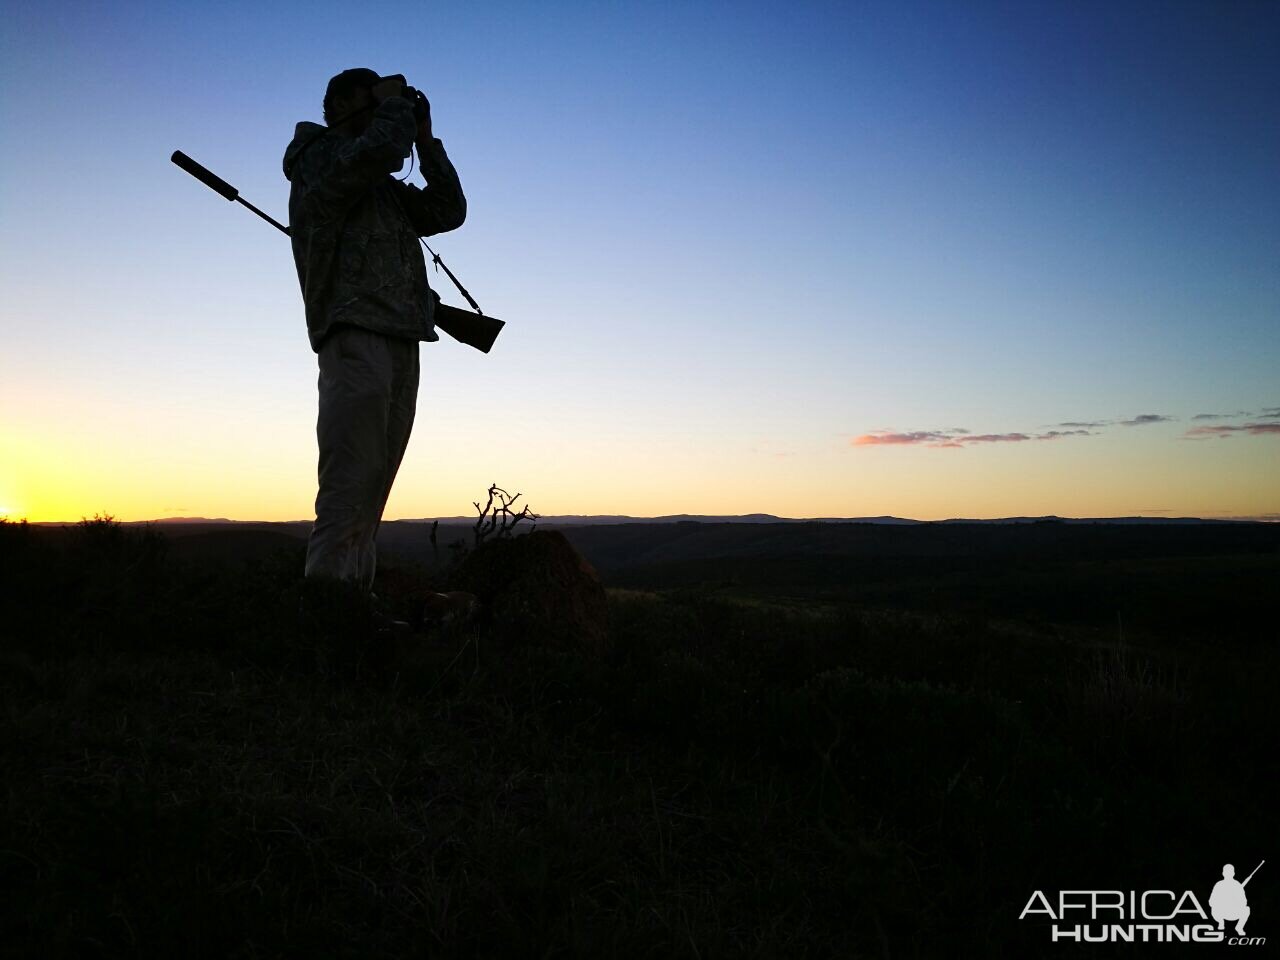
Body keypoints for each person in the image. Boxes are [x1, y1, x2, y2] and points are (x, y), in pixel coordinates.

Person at [282, 68, 466, 616]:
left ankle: (353, 609)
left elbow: (448, 211)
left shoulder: (379, 184)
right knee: (348, 481)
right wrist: (394, 111)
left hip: (400, 334)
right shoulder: (317, 159)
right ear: (341, 105)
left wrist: (427, 140)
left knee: (374, 486)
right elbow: (376, 151)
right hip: (354, 330)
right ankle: (325, 615)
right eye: (372, 100)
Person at [1209, 863, 1250, 936]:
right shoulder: (1219, 885)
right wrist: (1222, 902)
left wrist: (1235, 901)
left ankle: (1239, 927)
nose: (1228, 874)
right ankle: (1221, 922)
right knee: (1214, 908)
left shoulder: (1237, 885)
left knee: (1247, 909)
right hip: (1220, 912)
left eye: (1230, 872)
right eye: (1226, 872)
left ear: (1233, 873)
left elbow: (1244, 902)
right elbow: (1211, 902)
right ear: (1223, 873)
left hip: (1233, 912)